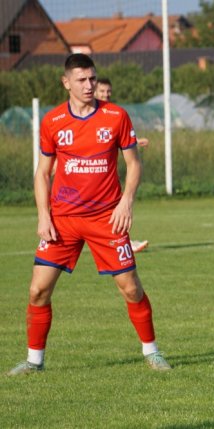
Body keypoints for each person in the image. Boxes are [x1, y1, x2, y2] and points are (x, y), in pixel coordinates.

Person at [7, 54, 171, 376]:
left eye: (92, 79)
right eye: (81, 80)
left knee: (131, 288)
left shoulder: (116, 117)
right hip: (63, 220)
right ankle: (33, 362)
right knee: (37, 291)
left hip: (106, 219)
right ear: (66, 82)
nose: (89, 85)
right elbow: (42, 174)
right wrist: (43, 216)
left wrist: (126, 202)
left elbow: (134, 164)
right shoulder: (53, 122)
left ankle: (151, 352)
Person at [94, 77, 149, 253]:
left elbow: (114, 138)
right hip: (85, 173)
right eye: (102, 91)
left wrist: (134, 141)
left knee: (116, 206)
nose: (106, 94)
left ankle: (124, 241)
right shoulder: (86, 114)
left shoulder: (113, 114)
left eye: (108, 91)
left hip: (105, 174)